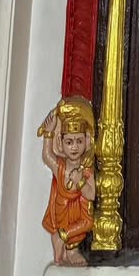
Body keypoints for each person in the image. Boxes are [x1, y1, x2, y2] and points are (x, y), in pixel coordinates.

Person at [38, 97, 96, 266]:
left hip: (79, 216)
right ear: (60, 143)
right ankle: (66, 246)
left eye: (79, 141)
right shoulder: (61, 167)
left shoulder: (86, 170)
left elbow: (91, 195)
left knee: (88, 222)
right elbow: (47, 156)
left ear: (87, 141)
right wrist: (49, 133)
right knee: (67, 222)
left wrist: (80, 181)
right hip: (61, 211)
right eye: (69, 142)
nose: (74, 147)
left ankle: (64, 241)